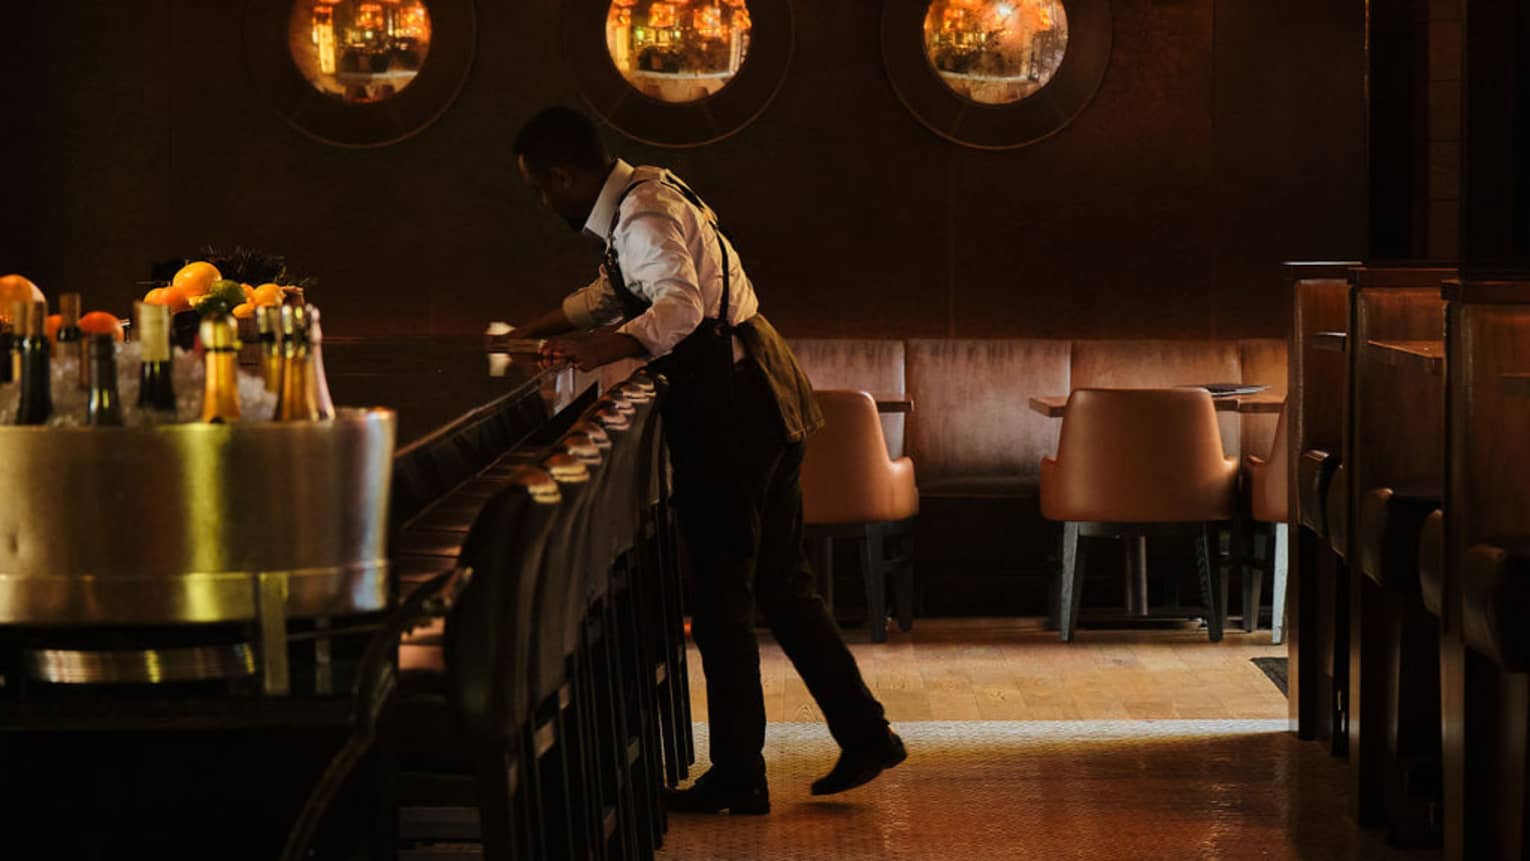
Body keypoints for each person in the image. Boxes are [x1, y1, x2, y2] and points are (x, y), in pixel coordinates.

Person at [510, 107, 905, 814]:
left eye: (541, 190)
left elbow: (681, 308)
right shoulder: (650, 194)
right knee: (783, 584)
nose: (543, 204)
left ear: (563, 176)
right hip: (763, 393)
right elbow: (612, 292)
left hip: (733, 412)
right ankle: (866, 732)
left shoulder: (642, 216)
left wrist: (599, 348)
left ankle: (740, 775)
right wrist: (534, 331)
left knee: (724, 597)